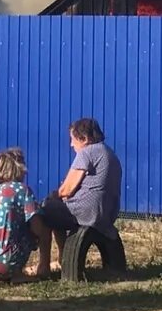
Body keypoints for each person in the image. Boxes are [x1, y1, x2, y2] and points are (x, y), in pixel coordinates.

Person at [31, 117, 122, 274]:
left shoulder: (87, 152)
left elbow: (67, 189)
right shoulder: (109, 153)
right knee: (57, 212)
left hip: (86, 211)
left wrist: (54, 196)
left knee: (44, 210)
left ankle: (43, 266)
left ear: (85, 139)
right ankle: (62, 258)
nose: (71, 145)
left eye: (73, 140)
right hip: (107, 213)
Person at [0, 147, 53, 282]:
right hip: (4, 262)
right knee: (42, 228)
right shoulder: (22, 190)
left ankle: (0, 271)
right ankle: (40, 269)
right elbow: (37, 228)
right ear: (19, 168)